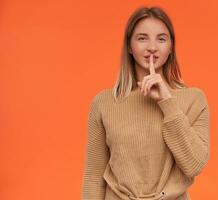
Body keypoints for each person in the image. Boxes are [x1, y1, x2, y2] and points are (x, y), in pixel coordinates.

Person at [81, 6, 210, 200]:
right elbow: (93, 177)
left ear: (171, 47)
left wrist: (167, 101)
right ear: (129, 47)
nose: (152, 47)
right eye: (142, 38)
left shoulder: (194, 99)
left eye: (161, 38)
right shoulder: (104, 103)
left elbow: (194, 164)